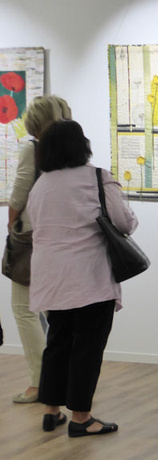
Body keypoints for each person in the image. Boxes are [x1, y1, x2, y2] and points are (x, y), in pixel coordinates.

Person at [28, 120, 139, 437]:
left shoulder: (41, 184)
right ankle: (81, 418)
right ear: (82, 145)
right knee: (87, 348)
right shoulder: (96, 177)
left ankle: (51, 412)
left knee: (57, 343)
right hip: (89, 277)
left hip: (51, 277)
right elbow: (124, 222)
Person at [8, 96, 71, 403]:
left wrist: (12, 227)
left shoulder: (33, 150)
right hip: (62, 239)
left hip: (32, 239)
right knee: (57, 312)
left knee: (24, 309)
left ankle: (40, 381)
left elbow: (18, 198)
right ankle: (65, 379)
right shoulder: (73, 153)